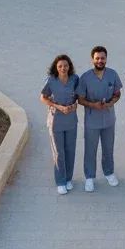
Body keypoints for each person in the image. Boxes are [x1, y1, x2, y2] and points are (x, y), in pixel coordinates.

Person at [77, 45, 123, 192]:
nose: (100, 60)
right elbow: (80, 99)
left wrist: (111, 102)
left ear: (106, 59)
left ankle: (109, 173)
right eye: (97, 58)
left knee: (108, 148)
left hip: (109, 119)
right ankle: (89, 177)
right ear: (92, 60)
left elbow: (117, 93)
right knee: (90, 149)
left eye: (102, 58)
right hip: (92, 120)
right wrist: (93, 105)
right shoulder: (85, 78)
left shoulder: (112, 74)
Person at [40, 53, 80, 195]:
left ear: (70, 67)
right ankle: (61, 181)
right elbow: (43, 98)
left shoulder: (75, 79)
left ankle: (69, 179)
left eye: (66, 65)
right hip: (56, 120)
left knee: (70, 151)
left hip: (71, 120)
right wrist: (57, 106)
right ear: (56, 68)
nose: (63, 68)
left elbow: (78, 97)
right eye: (60, 66)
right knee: (59, 152)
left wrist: (75, 105)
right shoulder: (51, 81)